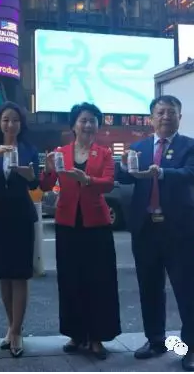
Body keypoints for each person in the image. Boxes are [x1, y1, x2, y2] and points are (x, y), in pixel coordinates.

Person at [117, 95, 194, 372]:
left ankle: (193, 348)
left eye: (171, 112)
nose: (166, 117)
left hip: (180, 229)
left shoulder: (192, 145)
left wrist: (162, 172)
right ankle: (155, 340)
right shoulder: (139, 147)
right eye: (161, 112)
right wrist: (124, 167)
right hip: (146, 229)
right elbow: (126, 178)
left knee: (188, 291)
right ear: (151, 118)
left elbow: (191, 174)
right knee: (149, 289)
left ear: (180, 117)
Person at [40, 102, 121, 360]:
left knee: (98, 281)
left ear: (98, 126)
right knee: (70, 280)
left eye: (92, 120)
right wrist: (48, 169)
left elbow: (108, 183)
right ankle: (76, 334)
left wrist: (87, 180)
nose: (88, 125)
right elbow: (45, 185)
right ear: (74, 125)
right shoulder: (60, 152)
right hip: (67, 223)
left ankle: (97, 337)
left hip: (96, 225)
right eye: (83, 120)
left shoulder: (104, 153)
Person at [0, 101, 40, 358]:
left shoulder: (29, 149)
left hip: (21, 215)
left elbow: (35, 182)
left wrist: (28, 174)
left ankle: (16, 331)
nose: (10, 124)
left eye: (15, 120)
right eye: (5, 120)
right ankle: (11, 326)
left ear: (21, 124)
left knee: (20, 274)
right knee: (3, 273)